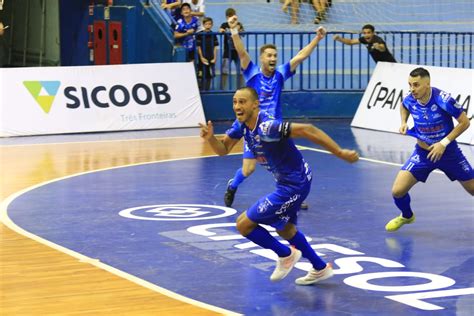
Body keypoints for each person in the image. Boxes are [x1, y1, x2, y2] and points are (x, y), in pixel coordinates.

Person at [199, 87, 359, 284]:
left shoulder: (267, 127)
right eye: (234, 102)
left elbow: (309, 130)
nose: (237, 106)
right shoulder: (241, 125)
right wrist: (210, 139)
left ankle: (285, 254)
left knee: (243, 224)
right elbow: (223, 150)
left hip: (294, 185)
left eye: (242, 102)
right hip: (290, 180)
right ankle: (320, 268)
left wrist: (340, 153)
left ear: (255, 104)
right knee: (285, 229)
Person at [223, 15, 327, 209]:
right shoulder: (252, 72)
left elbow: (300, 56)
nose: (273, 58)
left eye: (274, 56)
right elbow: (241, 52)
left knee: (285, 163)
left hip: (274, 128)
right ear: (262, 57)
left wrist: (317, 39)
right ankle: (232, 185)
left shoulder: (280, 73)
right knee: (248, 169)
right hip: (254, 128)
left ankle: (294, 195)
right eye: (269, 55)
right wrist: (234, 29)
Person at [385, 67, 474, 232]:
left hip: (449, 153)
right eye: (410, 85)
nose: (412, 89)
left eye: (416, 85)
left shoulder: (443, 99)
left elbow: (465, 122)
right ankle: (407, 216)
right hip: (423, 153)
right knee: (397, 191)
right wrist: (404, 122)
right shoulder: (410, 98)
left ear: (427, 84)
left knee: (473, 190)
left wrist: (443, 143)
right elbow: (403, 106)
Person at [219, 8, 245, 90]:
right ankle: (222, 89)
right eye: (230, 16)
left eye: (233, 15)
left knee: (241, 71)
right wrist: (222, 30)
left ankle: (240, 89)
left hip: (238, 51)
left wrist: (239, 29)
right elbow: (220, 30)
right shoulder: (224, 24)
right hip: (227, 51)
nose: (232, 18)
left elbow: (243, 33)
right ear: (227, 17)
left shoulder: (238, 24)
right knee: (224, 71)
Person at [196, 17, 218, 90]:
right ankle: (201, 90)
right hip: (202, 58)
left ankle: (207, 90)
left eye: (209, 24)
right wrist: (201, 57)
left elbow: (215, 47)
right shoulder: (200, 34)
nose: (208, 25)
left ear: (212, 25)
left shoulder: (213, 34)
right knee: (201, 75)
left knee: (210, 76)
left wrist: (215, 58)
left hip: (211, 57)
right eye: (206, 24)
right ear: (203, 25)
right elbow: (198, 47)